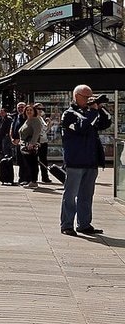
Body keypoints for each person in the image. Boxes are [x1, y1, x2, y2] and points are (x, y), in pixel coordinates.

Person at [59, 85, 111, 236]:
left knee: (86, 195)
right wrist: (93, 111)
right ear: (76, 96)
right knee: (70, 195)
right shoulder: (69, 114)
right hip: (75, 161)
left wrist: (100, 108)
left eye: (91, 96)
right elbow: (81, 127)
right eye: (86, 97)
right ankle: (67, 225)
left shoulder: (91, 113)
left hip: (91, 161)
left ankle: (84, 224)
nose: (89, 99)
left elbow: (106, 123)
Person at [17, 104, 44, 188]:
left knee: (32, 163)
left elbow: (37, 133)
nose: (29, 112)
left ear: (34, 111)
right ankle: (30, 180)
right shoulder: (28, 120)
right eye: (27, 110)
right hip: (24, 145)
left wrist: (32, 143)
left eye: (31, 110)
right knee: (28, 163)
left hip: (30, 146)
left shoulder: (35, 120)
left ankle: (33, 180)